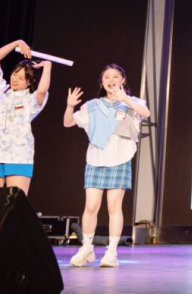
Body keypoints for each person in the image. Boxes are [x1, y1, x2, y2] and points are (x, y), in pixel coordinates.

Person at [64, 64, 151, 268]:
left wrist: (125, 99)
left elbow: (146, 113)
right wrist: (69, 106)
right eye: (107, 77)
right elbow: (68, 123)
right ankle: (87, 249)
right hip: (96, 158)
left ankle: (111, 252)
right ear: (101, 82)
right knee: (91, 206)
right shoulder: (93, 105)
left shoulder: (132, 102)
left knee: (114, 206)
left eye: (116, 76)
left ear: (123, 80)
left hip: (120, 158)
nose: (111, 79)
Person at [0, 40, 51, 194]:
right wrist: (17, 43)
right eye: (14, 74)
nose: (15, 79)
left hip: (19, 151)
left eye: (21, 78)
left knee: (16, 200)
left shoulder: (31, 99)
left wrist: (47, 68)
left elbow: (42, 91)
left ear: (29, 82)